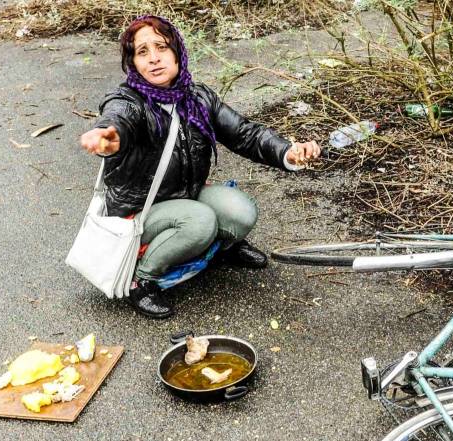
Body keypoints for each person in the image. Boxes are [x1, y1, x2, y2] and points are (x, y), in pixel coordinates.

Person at [79, 15, 321, 318]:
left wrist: (287, 151)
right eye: (142, 52)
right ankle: (141, 279)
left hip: (186, 195)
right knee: (201, 221)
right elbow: (118, 118)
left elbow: (245, 134)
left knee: (240, 211)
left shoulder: (198, 98)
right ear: (133, 62)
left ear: (178, 52)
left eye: (161, 47)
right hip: (140, 211)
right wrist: (109, 135)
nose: (153, 58)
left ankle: (218, 248)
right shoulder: (129, 101)